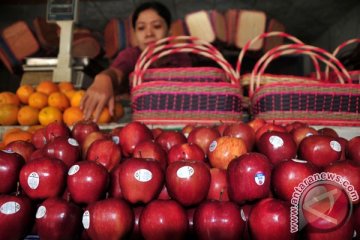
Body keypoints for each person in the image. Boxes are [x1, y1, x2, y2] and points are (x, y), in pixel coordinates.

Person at [80, 1, 192, 121]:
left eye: (157, 26)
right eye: (141, 28)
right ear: (135, 35)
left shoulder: (181, 56)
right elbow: (115, 73)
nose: (149, 34)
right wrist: (104, 79)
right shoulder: (131, 55)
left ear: (169, 30)